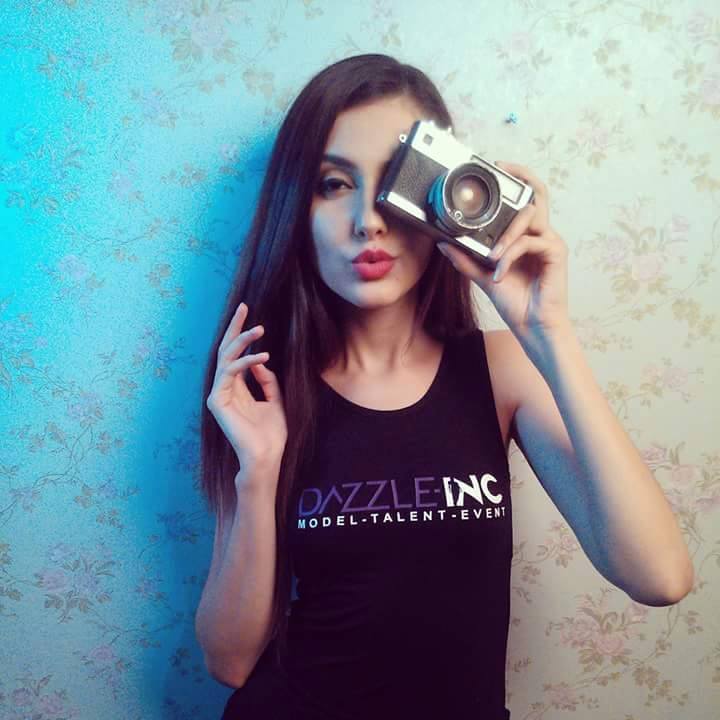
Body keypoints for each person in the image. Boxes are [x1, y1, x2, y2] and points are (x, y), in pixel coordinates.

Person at [194, 53, 693, 720]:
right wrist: (258, 472)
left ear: (445, 197)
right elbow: (230, 662)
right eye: (334, 184)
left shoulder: (500, 370)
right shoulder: (263, 387)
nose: (368, 220)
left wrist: (548, 332)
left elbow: (660, 576)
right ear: (297, 208)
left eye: (394, 182)